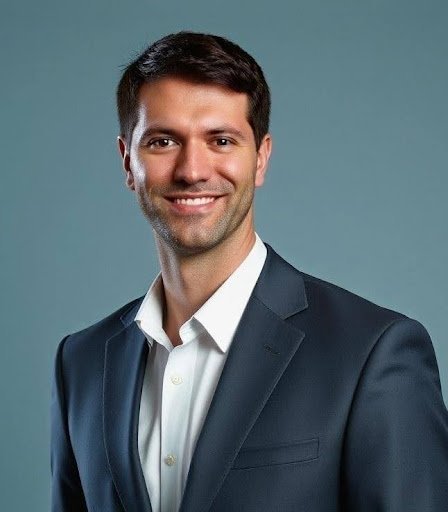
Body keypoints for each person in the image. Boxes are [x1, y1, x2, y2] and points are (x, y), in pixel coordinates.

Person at [51, 31, 448, 512]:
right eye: (162, 141)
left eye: (221, 140)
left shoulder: (374, 354)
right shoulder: (82, 363)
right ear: (127, 162)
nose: (193, 169)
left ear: (260, 158)